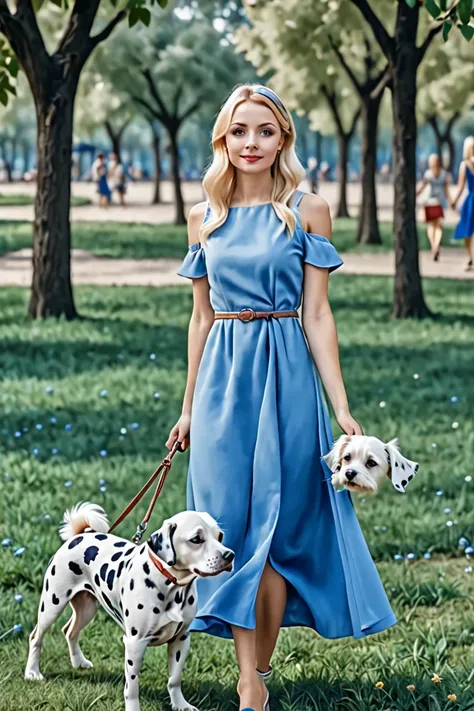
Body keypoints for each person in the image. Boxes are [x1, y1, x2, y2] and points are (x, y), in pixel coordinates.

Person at [168, 84, 396, 711]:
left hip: (288, 374)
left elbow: (318, 314)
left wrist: (340, 405)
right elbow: (200, 318)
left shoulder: (307, 209)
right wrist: (188, 408)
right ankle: (251, 680)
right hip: (220, 384)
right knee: (229, 528)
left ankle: (253, 678)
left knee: (278, 528)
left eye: (264, 131)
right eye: (239, 131)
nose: (251, 143)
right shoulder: (203, 215)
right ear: (223, 138)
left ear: (283, 139)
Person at [416, 153, 451, 261]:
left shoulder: (428, 174)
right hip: (440, 202)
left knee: (431, 226)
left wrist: (415, 194)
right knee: (439, 226)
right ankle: (436, 245)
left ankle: (433, 246)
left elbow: (422, 186)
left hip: (430, 202)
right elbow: (446, 191)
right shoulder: (444, 174)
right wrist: (451, 201)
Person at [450, 136, 474, 271]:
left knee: (468, 231)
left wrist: (454, 201)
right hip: (470, 200)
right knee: (468, 230)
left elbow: (460, 187)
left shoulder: (464, 165)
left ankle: (471, 257)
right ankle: (471, 258)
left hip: (471, 200)